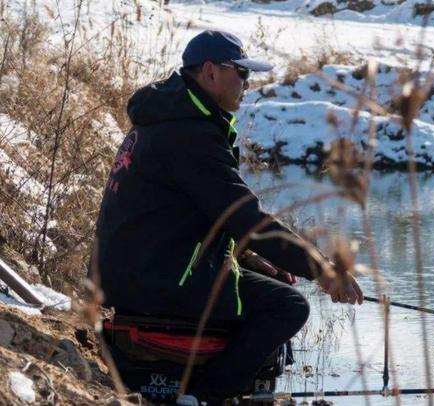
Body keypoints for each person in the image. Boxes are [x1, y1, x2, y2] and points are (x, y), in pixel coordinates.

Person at [94, 30, 363, 404]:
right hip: (157, 280)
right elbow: (245, 218)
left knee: (273, 284)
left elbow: (194, 217)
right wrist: (321, 269)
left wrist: (251, 259)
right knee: (288, 305)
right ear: (210, 72)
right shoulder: (189, 135)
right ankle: (202, 396)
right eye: (241, 72)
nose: (247, 84)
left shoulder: (170, 118)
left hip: (144, 269)